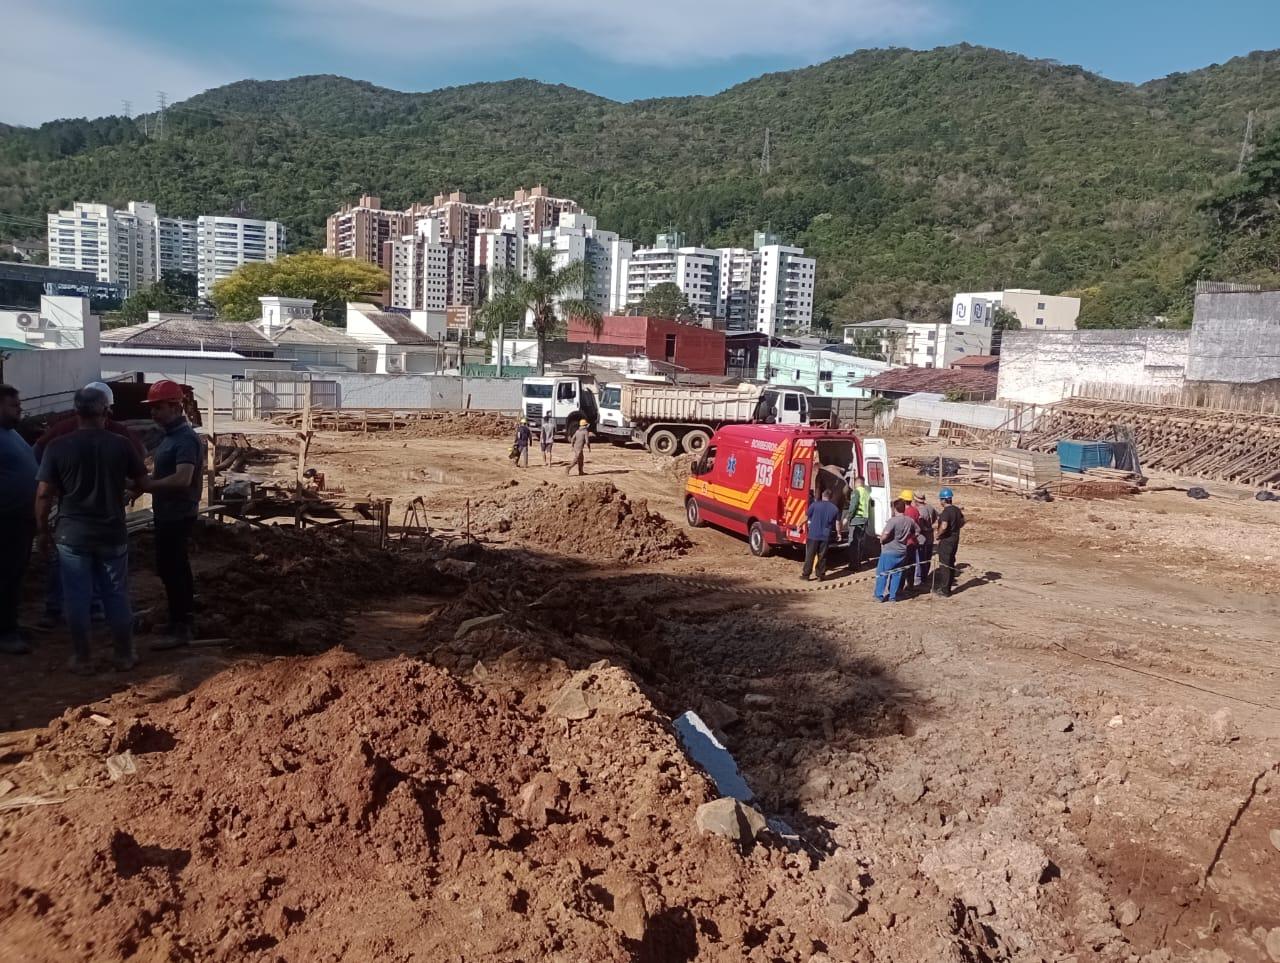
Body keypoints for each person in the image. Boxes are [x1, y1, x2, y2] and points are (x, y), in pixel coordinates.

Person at [35, 387, 148, 673]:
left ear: (76, 413)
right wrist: (122, 491)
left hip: (72, 535)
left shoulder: (57, 447)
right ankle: (124, 655)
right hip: (112, 532)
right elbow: (141, 483)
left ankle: (83, 658)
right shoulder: (121, 444)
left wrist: (42, 531)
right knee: (116, 594)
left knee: (76, 596)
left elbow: (44, 495)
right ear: (107, 412)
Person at [142, 380, 204, 650]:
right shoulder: (169, 437)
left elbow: (182, 478)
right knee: (173, 568)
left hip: (178, 514)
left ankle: (181, 626)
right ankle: (180, 619)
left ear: (177, 407)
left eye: (159, 407)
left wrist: (148, 486)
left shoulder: (185, 439)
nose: (154, 413)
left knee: (173, 568)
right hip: (168, 512)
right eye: (152, 408)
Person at [0, 385, 38, 655]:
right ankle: (4, 632)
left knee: (14, 575)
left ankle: (9, 623)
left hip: (21, 519)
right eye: (14, 405)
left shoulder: (11, 434)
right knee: (5, 575)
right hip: (5, 521)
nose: (20, 408)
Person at [874, 499, 920, 603]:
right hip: (902, 551)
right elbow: (918, 530)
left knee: (882, 574)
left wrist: (881, 540)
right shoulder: (909, 520)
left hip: (889, 550)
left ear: (895, 509)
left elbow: (885, 534)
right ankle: (892, 596)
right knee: (897, 574)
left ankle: (879, 595)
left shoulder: (893, 521)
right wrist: (910, 536)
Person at [801, 488, 840, 581]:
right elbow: (838, 523)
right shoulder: (835, 509)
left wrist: (799, 525)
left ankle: (806, 575)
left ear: (823, 496)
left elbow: (806, 517)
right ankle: (820, 575)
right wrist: (839, 534)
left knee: (810, 555)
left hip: (813, 534)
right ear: (831, 497)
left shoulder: (815, 505)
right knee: (822, 556)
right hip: (825, 536)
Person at [933, 487, 965, 598]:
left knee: (945, 566)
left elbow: (944, 525)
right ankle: (948, 587)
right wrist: (956, 529)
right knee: (951, 564)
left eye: (940, 499)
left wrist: (938, 534)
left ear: (943, 500)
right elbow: (962, 521)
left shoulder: (946, 512)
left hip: (946, 541)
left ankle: (944, 590)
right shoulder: (957, 510)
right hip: (955, 540)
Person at [842, 472, 872, 569]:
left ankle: (853, 565)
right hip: (864, 520)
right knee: (860, 542)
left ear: (856, 483)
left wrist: (846, 518)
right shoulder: (867, 493)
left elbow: (853, 506)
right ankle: (858, 562)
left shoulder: (856, 492)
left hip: (856, 521)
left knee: (853, 542)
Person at [912, 491, 938, 587]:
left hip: (922, 538)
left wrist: (924, 528)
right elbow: (936, 517)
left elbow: (920, 524)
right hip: (930, 537)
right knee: (927, 558)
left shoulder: (919, 510)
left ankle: (918, 579)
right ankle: (924, 577)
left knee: (920, 559)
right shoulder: (930, 507)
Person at [900, 489, 920, 593]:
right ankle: (910, 585)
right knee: (911, 566)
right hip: (913, 541)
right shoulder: (915, 510)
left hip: (905, 543)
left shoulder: (904, 513)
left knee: (903, 566)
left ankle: (900, 587)